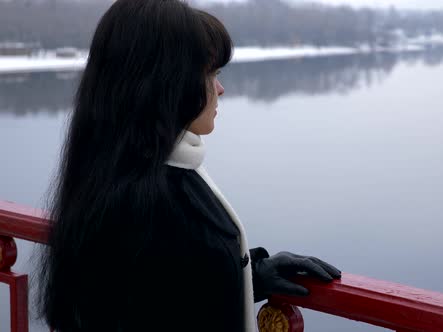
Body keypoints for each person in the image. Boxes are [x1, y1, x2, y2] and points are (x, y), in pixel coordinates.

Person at [36, 0, 341, 331]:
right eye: (209, 74)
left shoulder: (113, 170)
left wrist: (251, 273)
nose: (220, 89)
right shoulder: (156, 195)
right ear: (165, 81)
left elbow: (167, 285)